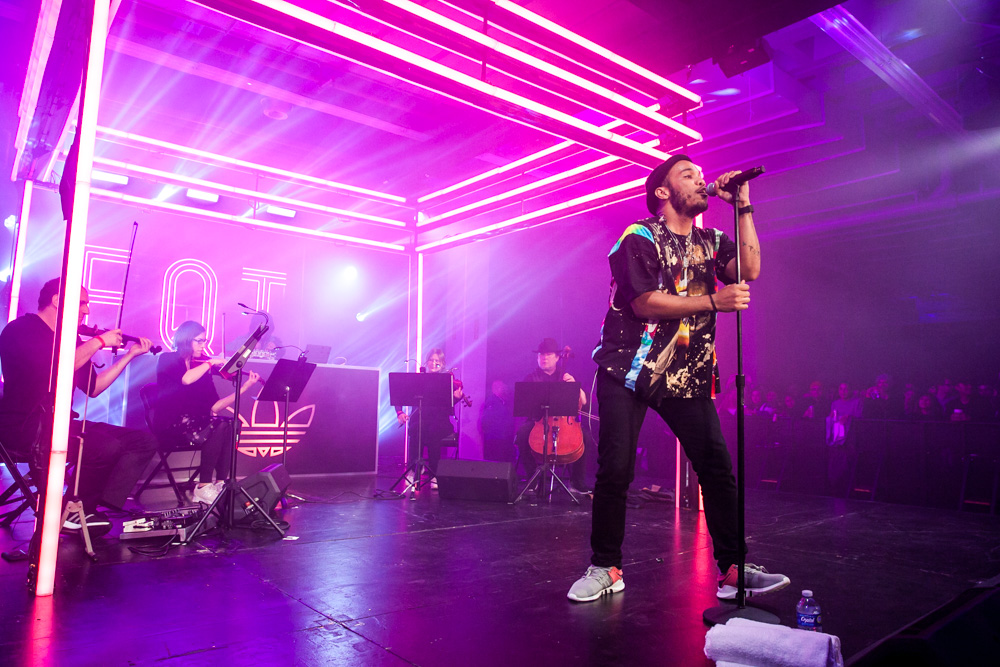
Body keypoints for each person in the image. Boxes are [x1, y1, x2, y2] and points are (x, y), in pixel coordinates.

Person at [568, 155, 789, 603]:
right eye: (688, 175)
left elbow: (750, 270)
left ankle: (733, 569)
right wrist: (713, 301)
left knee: (716, 467)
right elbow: (645, 302)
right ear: (663, 192)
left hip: (687, 372)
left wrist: (742, 204)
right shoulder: (640, 235)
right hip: (628, 369)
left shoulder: (712, 240)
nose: (700, 180)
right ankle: (606, 567)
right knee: (616, 469)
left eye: (701, 175)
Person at [0, 278, 157, 532]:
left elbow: (94, 388)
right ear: (57, 300)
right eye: (82, 303)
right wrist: (98, 342)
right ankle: (73, 512)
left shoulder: (70, 340)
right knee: (103, 446)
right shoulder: (21, 329)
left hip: (60, 423)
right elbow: (55, 369)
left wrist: (129, 356)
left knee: (142, 442)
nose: (87, 310)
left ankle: (84, 508)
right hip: (24, 426)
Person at [154, 321, 261, 504]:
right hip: (170, 424)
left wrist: (244, 388)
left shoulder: (202, 369)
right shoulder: (168, 359)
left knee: (230, 424)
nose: (203, 345)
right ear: (186, 340)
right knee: (218, 426)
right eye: (199, 341)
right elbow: (186, 380)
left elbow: (215, 407)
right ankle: (203, 486)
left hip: (195, 423)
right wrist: (210, 362)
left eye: (204, 341)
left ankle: (220, 483)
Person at [513, 338, 592, 493]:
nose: (544, 358)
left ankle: (576, 483)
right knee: (522, 434)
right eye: (541, 355)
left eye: (548, 354)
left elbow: (583, 401)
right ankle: (533, 478)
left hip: (564, 424)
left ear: (557, 358)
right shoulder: (530, 378)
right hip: (537, 421)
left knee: (586, 438)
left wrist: (575, 386)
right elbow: (524, 405)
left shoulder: (566, 377)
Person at [395, 349, 463, 484]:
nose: (434, 363)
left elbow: (448, 408)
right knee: (416, 428)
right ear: (427, 362)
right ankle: (415, 468)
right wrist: (400, 412)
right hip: (420, 420)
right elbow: (399, 395)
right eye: (431, 360)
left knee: (433, 431)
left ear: (442, 363)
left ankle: (433, 472)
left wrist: (456, 398)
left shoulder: (446, 380)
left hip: (440, 421)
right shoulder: (418, 380)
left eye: (437, 361)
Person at [480, 379, 515, 462]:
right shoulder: (492, 401)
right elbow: (488, 420)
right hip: (496, 438)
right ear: (497, 388)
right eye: (502, 387)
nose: (504, 389)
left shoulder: (502, 401)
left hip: (502, 437)